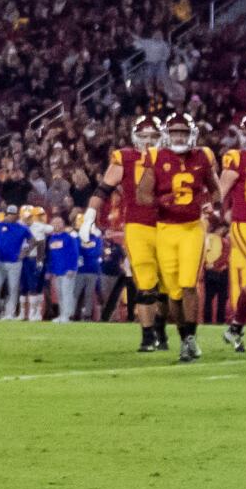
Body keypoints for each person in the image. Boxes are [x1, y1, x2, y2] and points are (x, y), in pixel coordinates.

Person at [138, 110, 220, 363]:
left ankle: (190, 339)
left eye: (183, 132)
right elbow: (142, 195)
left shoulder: (202, 157)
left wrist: (209, 205)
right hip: (165, 229)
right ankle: (184, 336)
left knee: (188, 285)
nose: (179, 136)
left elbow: (215, 191)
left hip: (192, 228)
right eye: (174, 132)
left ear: (191, 134)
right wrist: (160, 201)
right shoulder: (157, 157)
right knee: (173, 293)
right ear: (167, 135)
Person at [100, 115, 168, 353]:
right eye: (144, 137)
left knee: (166, 284)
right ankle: (148, 336)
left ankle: (161, 330)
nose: (149, 141)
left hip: (168, 226)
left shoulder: (172, 159)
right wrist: (91, 213)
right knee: (146, 283)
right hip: (138, 225)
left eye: (154, 137)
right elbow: (104, 187)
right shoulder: (125, 157)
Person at [219, 112, 246, 353]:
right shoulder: (236, 158)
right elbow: (220, 190)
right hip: (245, 225)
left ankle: (235, 327)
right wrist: (219, 211)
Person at [45, 215, 80, 322]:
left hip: (67, 270)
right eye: (54, 223)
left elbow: (75, 254)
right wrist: (49, 271)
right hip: (56, 271)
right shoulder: (51, 239)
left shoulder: (69, 238)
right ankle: (62, 314)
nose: (56, 225)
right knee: (59, 294)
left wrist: (72, 268)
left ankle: (68, 315)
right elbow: (50, 256)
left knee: (67, 293)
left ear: (63, 224)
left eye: (59, 222)